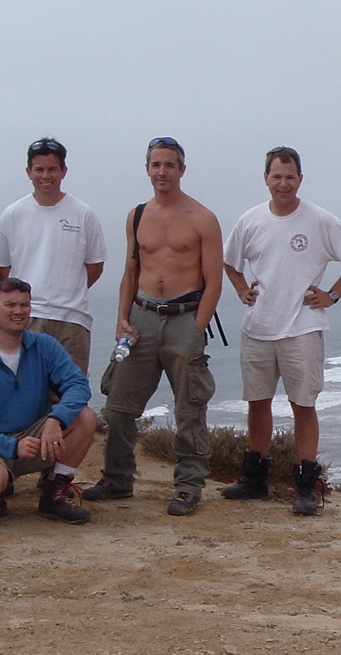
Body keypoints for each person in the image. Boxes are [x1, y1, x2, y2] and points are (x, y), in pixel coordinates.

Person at [221, 146, 341, 515]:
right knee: (257, 403)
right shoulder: (250, 220)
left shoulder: (320, 220)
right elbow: (229, 261)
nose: (283, 184)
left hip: (302, 328)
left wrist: (333, 294)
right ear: (266, 178)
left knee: (303, 405)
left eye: (290, 177)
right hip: (258, 328)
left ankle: (305, 487)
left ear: (300, 179)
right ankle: (255, 479)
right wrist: (241, 289)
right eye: (277, 176)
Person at [84, 137, 223, 516]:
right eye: (156, 165)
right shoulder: (137, 216)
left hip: (184, 317)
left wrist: (197, 327)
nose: (163, 172)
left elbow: (214, 282)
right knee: (119, 406)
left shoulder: (203, 218)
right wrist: (122, 318)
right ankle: (117, 479)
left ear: (182, 169)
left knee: (189, 408)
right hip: (141, 317)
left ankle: (188, 486)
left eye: (170, 165)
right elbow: (130, 271)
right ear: (147, 169)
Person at [0, 277, 96, 523]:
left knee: (84, 417)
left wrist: (56, 419)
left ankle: (54, 492)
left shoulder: (44, 346)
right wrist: (11, 447)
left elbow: (77, 384)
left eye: (24, 305)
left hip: (31, 439)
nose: (18, 311)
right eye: (10, 305)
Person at [0, 138, 107, 374]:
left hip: (72, 319)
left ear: (64, 171)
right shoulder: (13, 214)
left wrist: (69, 290)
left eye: (52, 169)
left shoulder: (83, 214)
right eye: (39, 170)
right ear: (28, 172)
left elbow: (95, 266)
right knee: (24, 387)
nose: (45, 176)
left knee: (70, 389)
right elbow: (2, 267)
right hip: (27, 317)